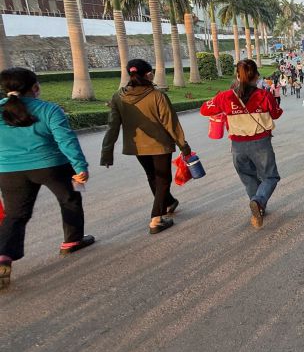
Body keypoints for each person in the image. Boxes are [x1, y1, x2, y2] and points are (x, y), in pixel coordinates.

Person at [0, 68, 94, 290]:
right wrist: (80, 167)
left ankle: (3, 255)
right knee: (70, 199)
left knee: (15, 215)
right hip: (51, 165)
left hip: (9, 170)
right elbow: (66, 140)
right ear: (35, 87)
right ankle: (72, 240)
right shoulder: (48, 109)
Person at [101, 59, 192, 234]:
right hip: (159, 146)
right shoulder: (157, 96)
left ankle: (168, 202)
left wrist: (106, 152)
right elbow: (170, 124)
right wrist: (184, 146)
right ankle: (156, 219)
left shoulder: (118, 97)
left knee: (152, 176)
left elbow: (112, 126)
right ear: (148, 74)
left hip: (137, 147)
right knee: (163, 179)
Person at [200, 59, 284, 228]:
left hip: (238, 145)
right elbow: (275, 114)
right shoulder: (264, 95)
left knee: (248, 176)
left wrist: (225, 106)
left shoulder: (226, 96)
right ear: (256, 76)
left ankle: (259, 206)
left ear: (237, 75)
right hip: (261, 142)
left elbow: (205, 109)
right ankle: (259, 201)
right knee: (270, 176)